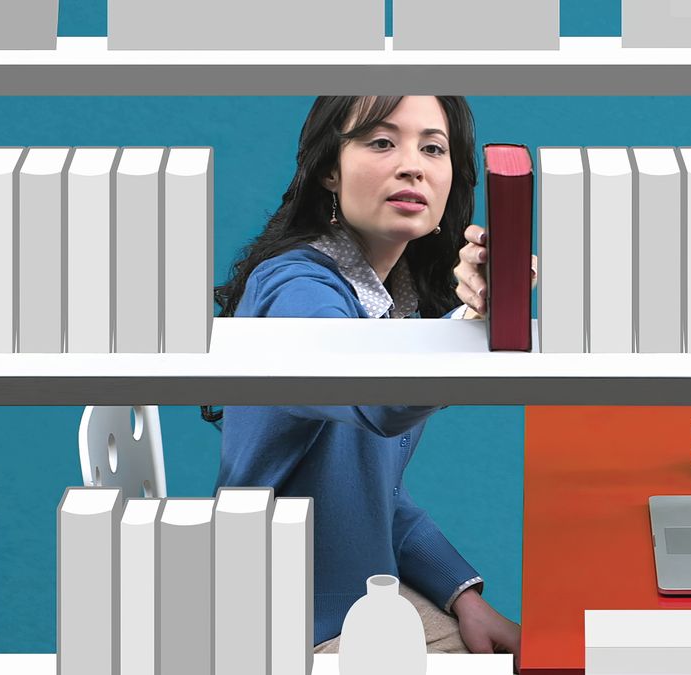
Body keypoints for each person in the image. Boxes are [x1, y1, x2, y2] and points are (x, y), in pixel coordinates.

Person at [211, 95, 522, 665]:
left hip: (358, 595)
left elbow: (372, 497)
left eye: (433, 148)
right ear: (329, 169)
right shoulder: (295, 290)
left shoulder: (389, 305)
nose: (412, 166)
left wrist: (462, 595)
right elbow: (374, 397)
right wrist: (469, 322)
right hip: (289, 625)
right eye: (381, 142)